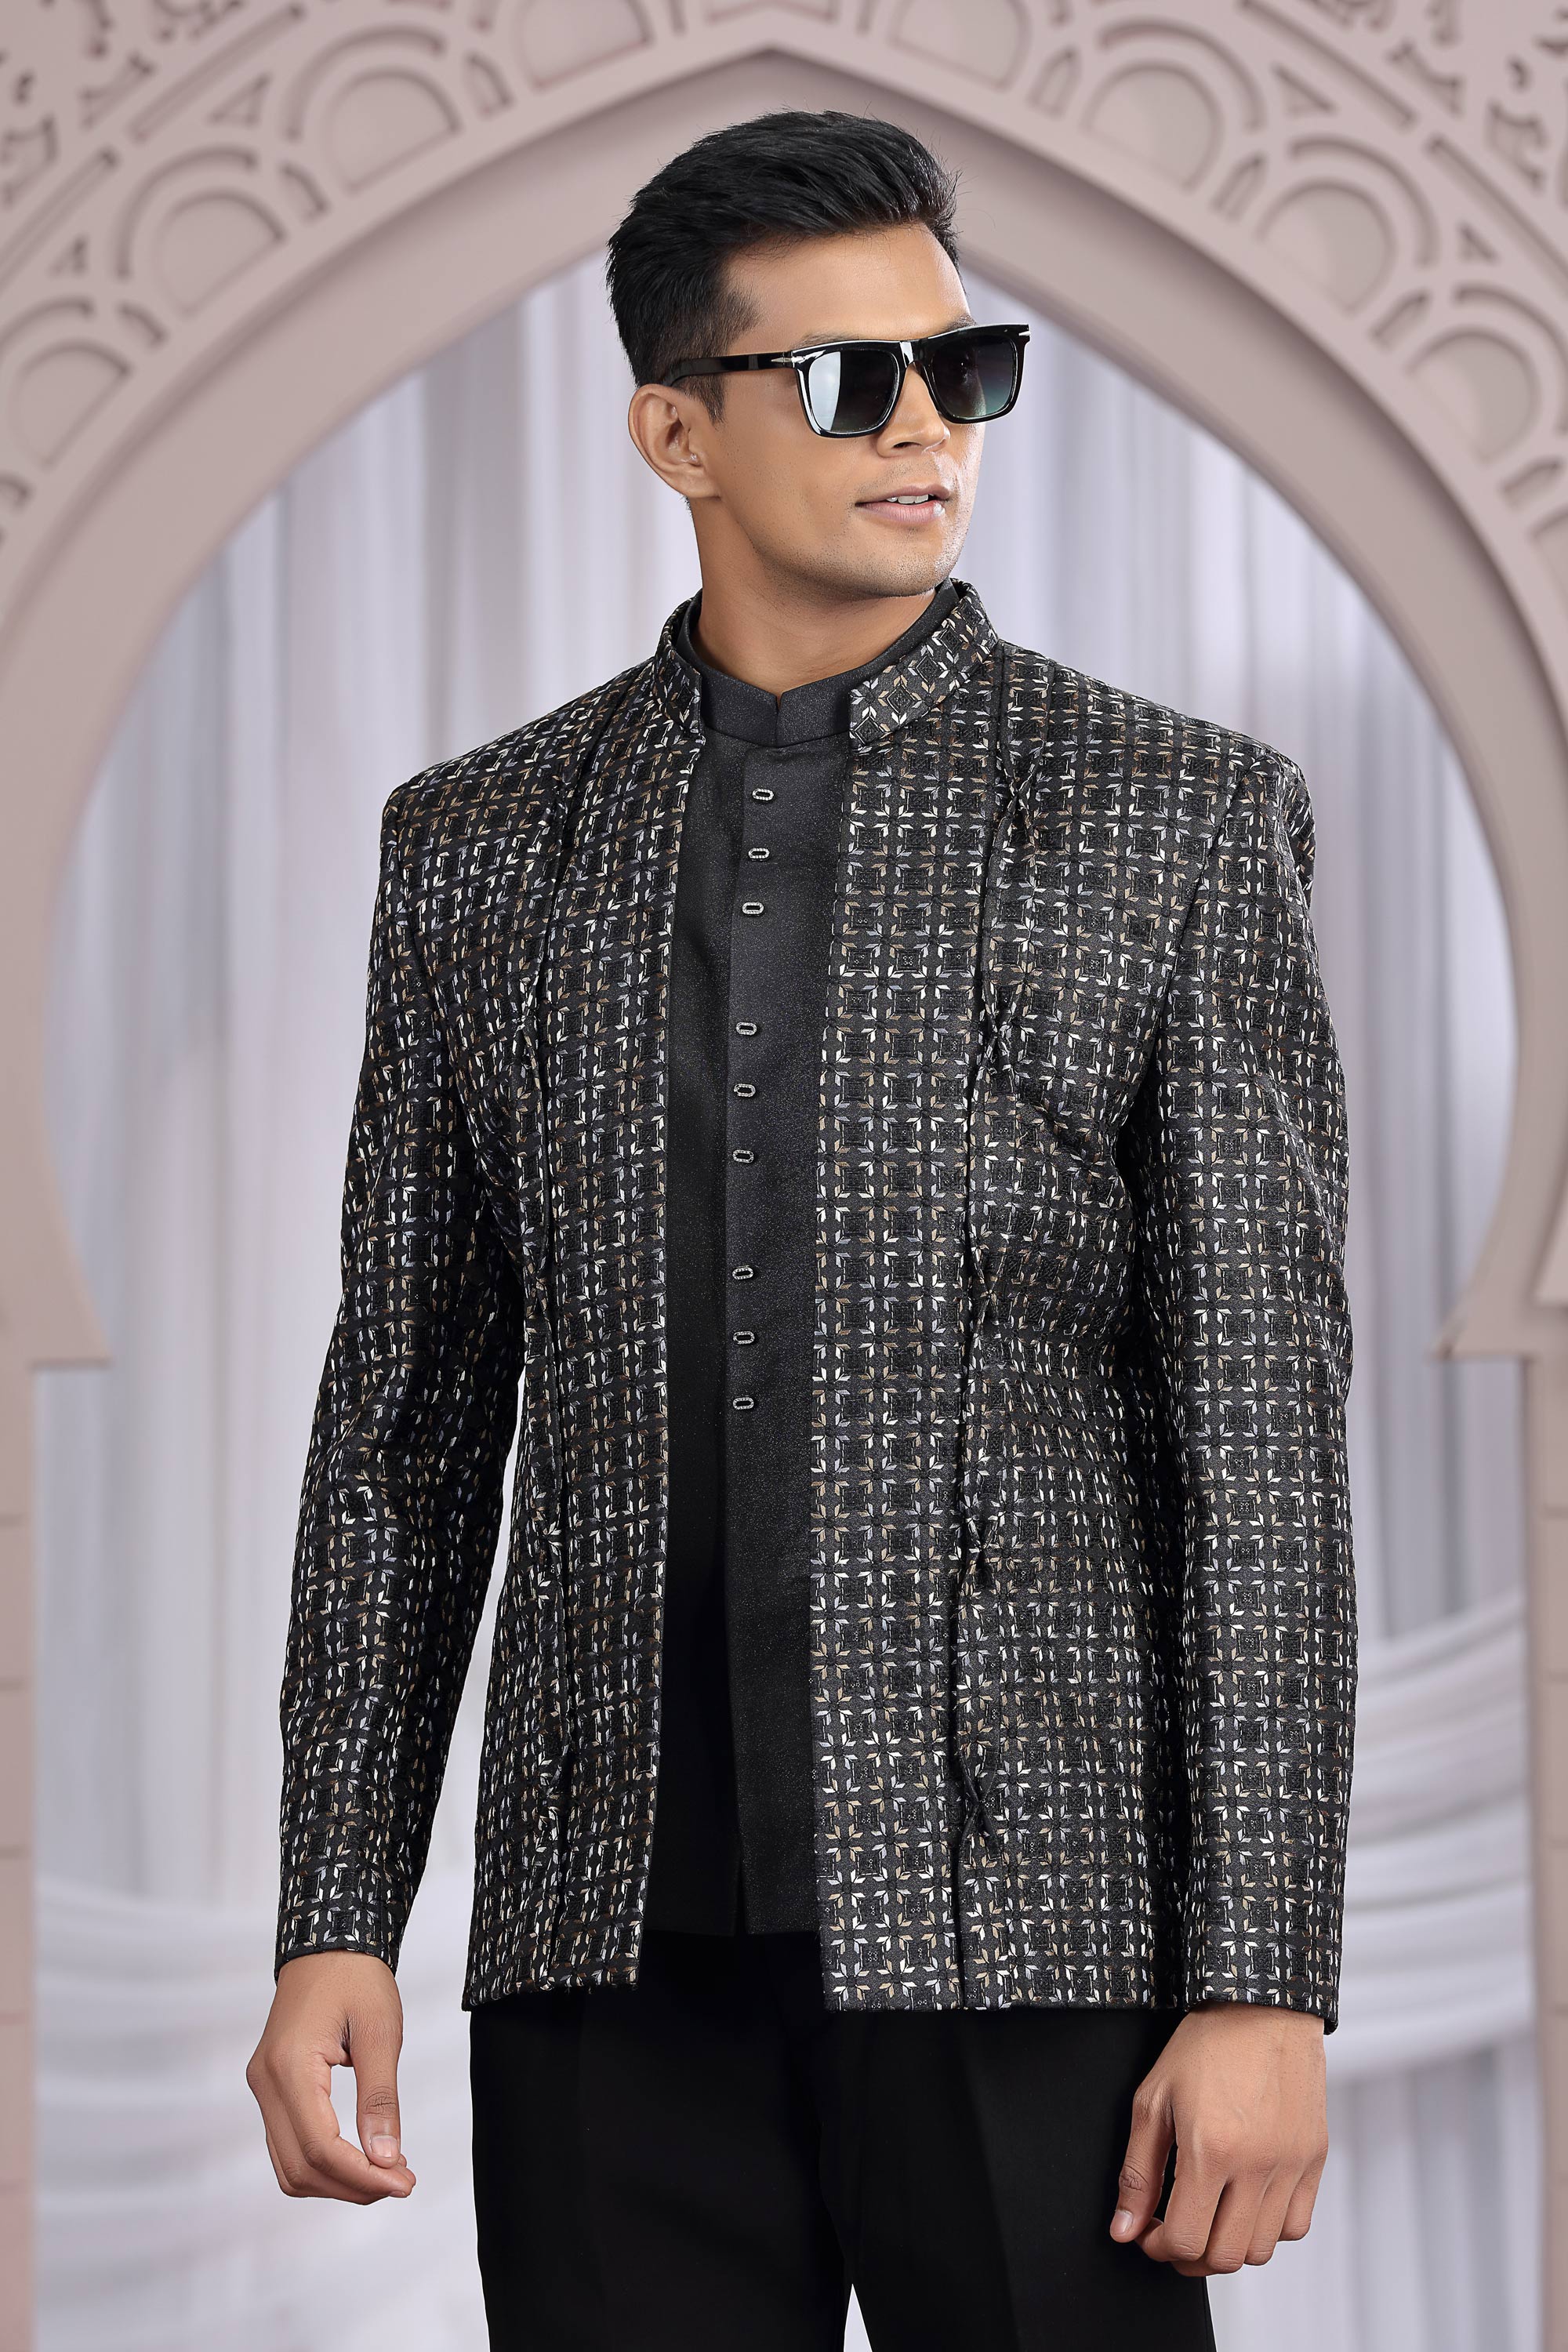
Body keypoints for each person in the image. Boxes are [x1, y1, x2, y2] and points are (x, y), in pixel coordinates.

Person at [246, 107, 1356, 2351]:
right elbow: (405, 1427)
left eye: (966, 370)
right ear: (679, 433)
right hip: (605, 1950)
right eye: (852, 380)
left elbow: (1255, 1441)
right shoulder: (478, 846)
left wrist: (1265, 1978)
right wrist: (334, 1911)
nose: (927, 428)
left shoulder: (1174, 819)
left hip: (1031, 1945)